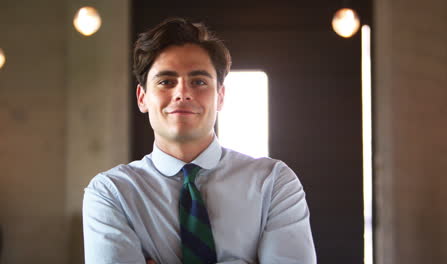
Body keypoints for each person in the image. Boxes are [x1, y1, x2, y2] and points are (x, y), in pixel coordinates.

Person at [82, 17, 317, 264]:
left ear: (221, 96)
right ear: (142, 98)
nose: (182, 93)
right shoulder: (112, 193)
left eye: (199, 82)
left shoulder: (273, 183)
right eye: (166, 82)